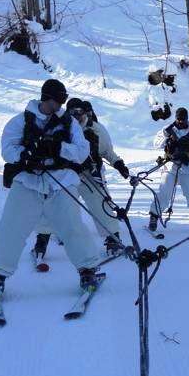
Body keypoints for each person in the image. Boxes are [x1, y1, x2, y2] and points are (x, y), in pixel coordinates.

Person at [0, 79, 106, 310]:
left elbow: (82, 152)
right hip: (28, 182)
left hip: (60, 182)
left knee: (72, 227)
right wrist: (26, 155)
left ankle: (88, 271)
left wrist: (59, 149)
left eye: (63, 100)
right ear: (46, 98)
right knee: (11, 228)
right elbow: (7, 148)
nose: (61, 105)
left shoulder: (68, 123)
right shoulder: (21, 121)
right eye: (57, 100)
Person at [32, 98, 131, 262]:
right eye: (71, 113)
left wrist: (119, 164)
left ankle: (113, 238)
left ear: (85, 113)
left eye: (79, 113)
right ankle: (42, 240)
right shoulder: (61, 127)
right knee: (55, 204)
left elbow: (107, 152)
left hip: (90, 175)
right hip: (67, 173)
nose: (76, 116)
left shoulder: (96, 129)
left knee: (101, 203)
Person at [149, 107, 189, 234]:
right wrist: (165, 133)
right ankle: (154, 216)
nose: (180, 122)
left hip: (187, 168)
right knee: (164, 193)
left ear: (187, 119)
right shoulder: (169, 130)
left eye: (183, 119)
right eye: (178, 119)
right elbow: (156, 143)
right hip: (170, 166)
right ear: (175, 119)